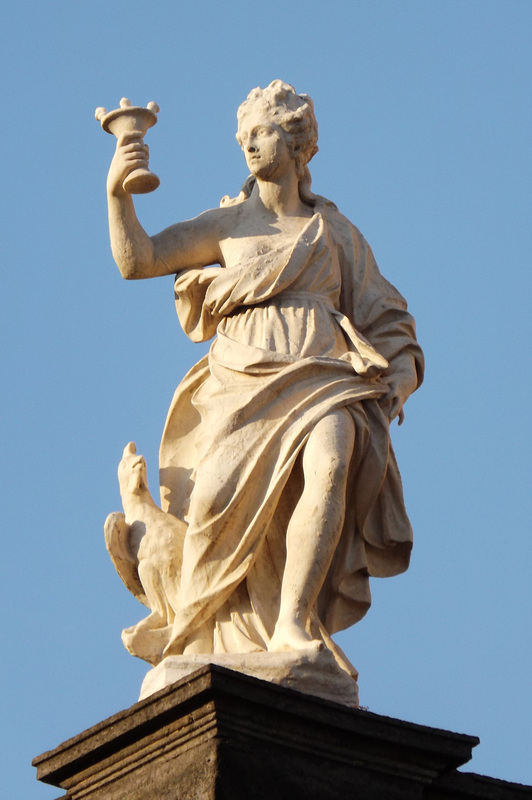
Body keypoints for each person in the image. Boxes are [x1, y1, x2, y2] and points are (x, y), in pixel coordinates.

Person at [106, 80, 423, 667]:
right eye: (243, 137)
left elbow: (389, 319)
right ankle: (201, 627)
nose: (249, 146)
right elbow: (139, 259)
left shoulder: (336, 234)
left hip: (324, 372)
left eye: (261, 133)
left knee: (330, 461)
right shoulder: (227, 226)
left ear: (296, 139)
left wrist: (399, 376)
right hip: (241, 380)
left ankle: (295, 627)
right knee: (212, 508)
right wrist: (117, 195)